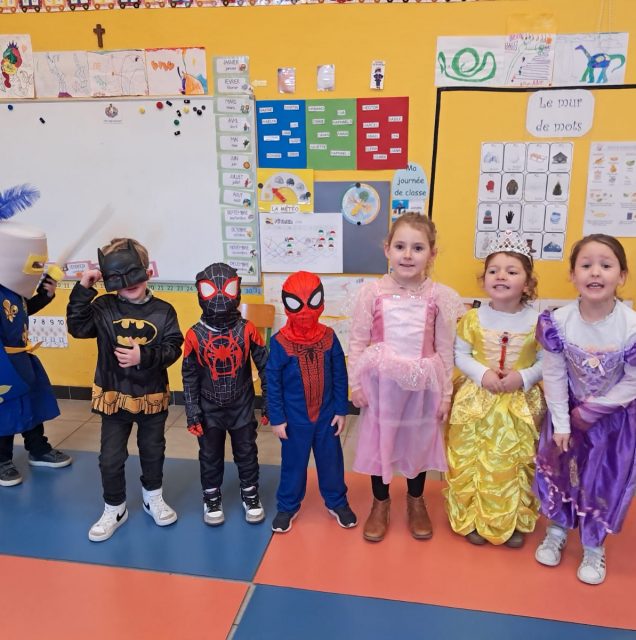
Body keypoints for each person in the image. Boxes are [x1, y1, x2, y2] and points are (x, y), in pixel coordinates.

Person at [348, 213, 464, 542]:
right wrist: (355, 383)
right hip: (382, 386)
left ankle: (416, 500)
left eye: (418, 248)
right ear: (387, 249)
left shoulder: (439, 296)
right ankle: (380, 503)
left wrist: (445, 395)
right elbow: (357, 341)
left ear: (432, 254)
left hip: (423, 386)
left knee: (418, 442)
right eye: (400, 247)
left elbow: (445, 348)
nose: (408, 255)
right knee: (380, 442)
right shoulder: (372, 293)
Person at [534, 234, 636, 585]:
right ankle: (557, 528)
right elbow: (553, 373)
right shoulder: (558, 322)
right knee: (564, 472)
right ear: (572, 274)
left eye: (606, 265)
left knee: (601, 482)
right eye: (586, 265)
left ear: (621, 276)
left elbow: (633, 380)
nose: (595, 272)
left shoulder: (631, 326)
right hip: (567, 415)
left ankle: (594, 545)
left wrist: (595, 411)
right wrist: (562, 423)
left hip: (613, 422)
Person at [67, 238, 183, 542]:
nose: (128, 284)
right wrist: (83, 290)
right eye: (116, 277)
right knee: (110, 457)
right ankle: (114, 507)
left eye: (133, 274)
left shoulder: (164, 311)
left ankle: (152, 497)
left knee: (153, 450)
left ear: (147, 272)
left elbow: (174, 348)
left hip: (151, 395)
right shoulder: (103, 307)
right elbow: (78, 328)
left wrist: (144, 357)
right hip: (114, 395)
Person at [444, 230, 545, 548]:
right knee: (473, 458)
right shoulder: (472, 318)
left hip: (519, 405)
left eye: (511, 271)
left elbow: (547, 361)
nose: (501, 276)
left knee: (513, 463)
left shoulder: (539, 322)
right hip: (476, 401)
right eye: (493, 270)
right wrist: (482, 373)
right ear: (484, 279)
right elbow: (459, 354)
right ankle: (473, 517)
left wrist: (523, 377)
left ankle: (510, 520)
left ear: (527, 283)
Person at [267, 270, 356, 533]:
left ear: (321, 301)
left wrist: (341, 409)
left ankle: (337, 502)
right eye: (297, 304)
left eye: (312, 302)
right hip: (294, 420)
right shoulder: (279, 343)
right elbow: (272, 383)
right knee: (293, 464)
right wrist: (277, 418)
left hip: (327, 416)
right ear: (287, 304)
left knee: (331, 462)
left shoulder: (329, 337)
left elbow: (340, 374)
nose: (305, 311)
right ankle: (287, 506)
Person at [182, 263, 268, 526]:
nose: (220, 298)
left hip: (242, 403)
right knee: (209, 454)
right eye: (212, 291)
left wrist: (270, 402)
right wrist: (192, 412)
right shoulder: (194, 335)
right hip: (209, 407)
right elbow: (189, 376)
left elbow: (266, 366)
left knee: (247, 450)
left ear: (236, 291)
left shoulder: (248, 329)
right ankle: (211, 496)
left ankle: (250, 492)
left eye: (227, 289)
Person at [0, 184, 72, 487]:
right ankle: (2, 460)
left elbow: (24, 310)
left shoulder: (11, 289)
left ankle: (38, 448)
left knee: (32, 403)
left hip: (23, 358)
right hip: (3, 364)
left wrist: (46, 292)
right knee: (5, 409)